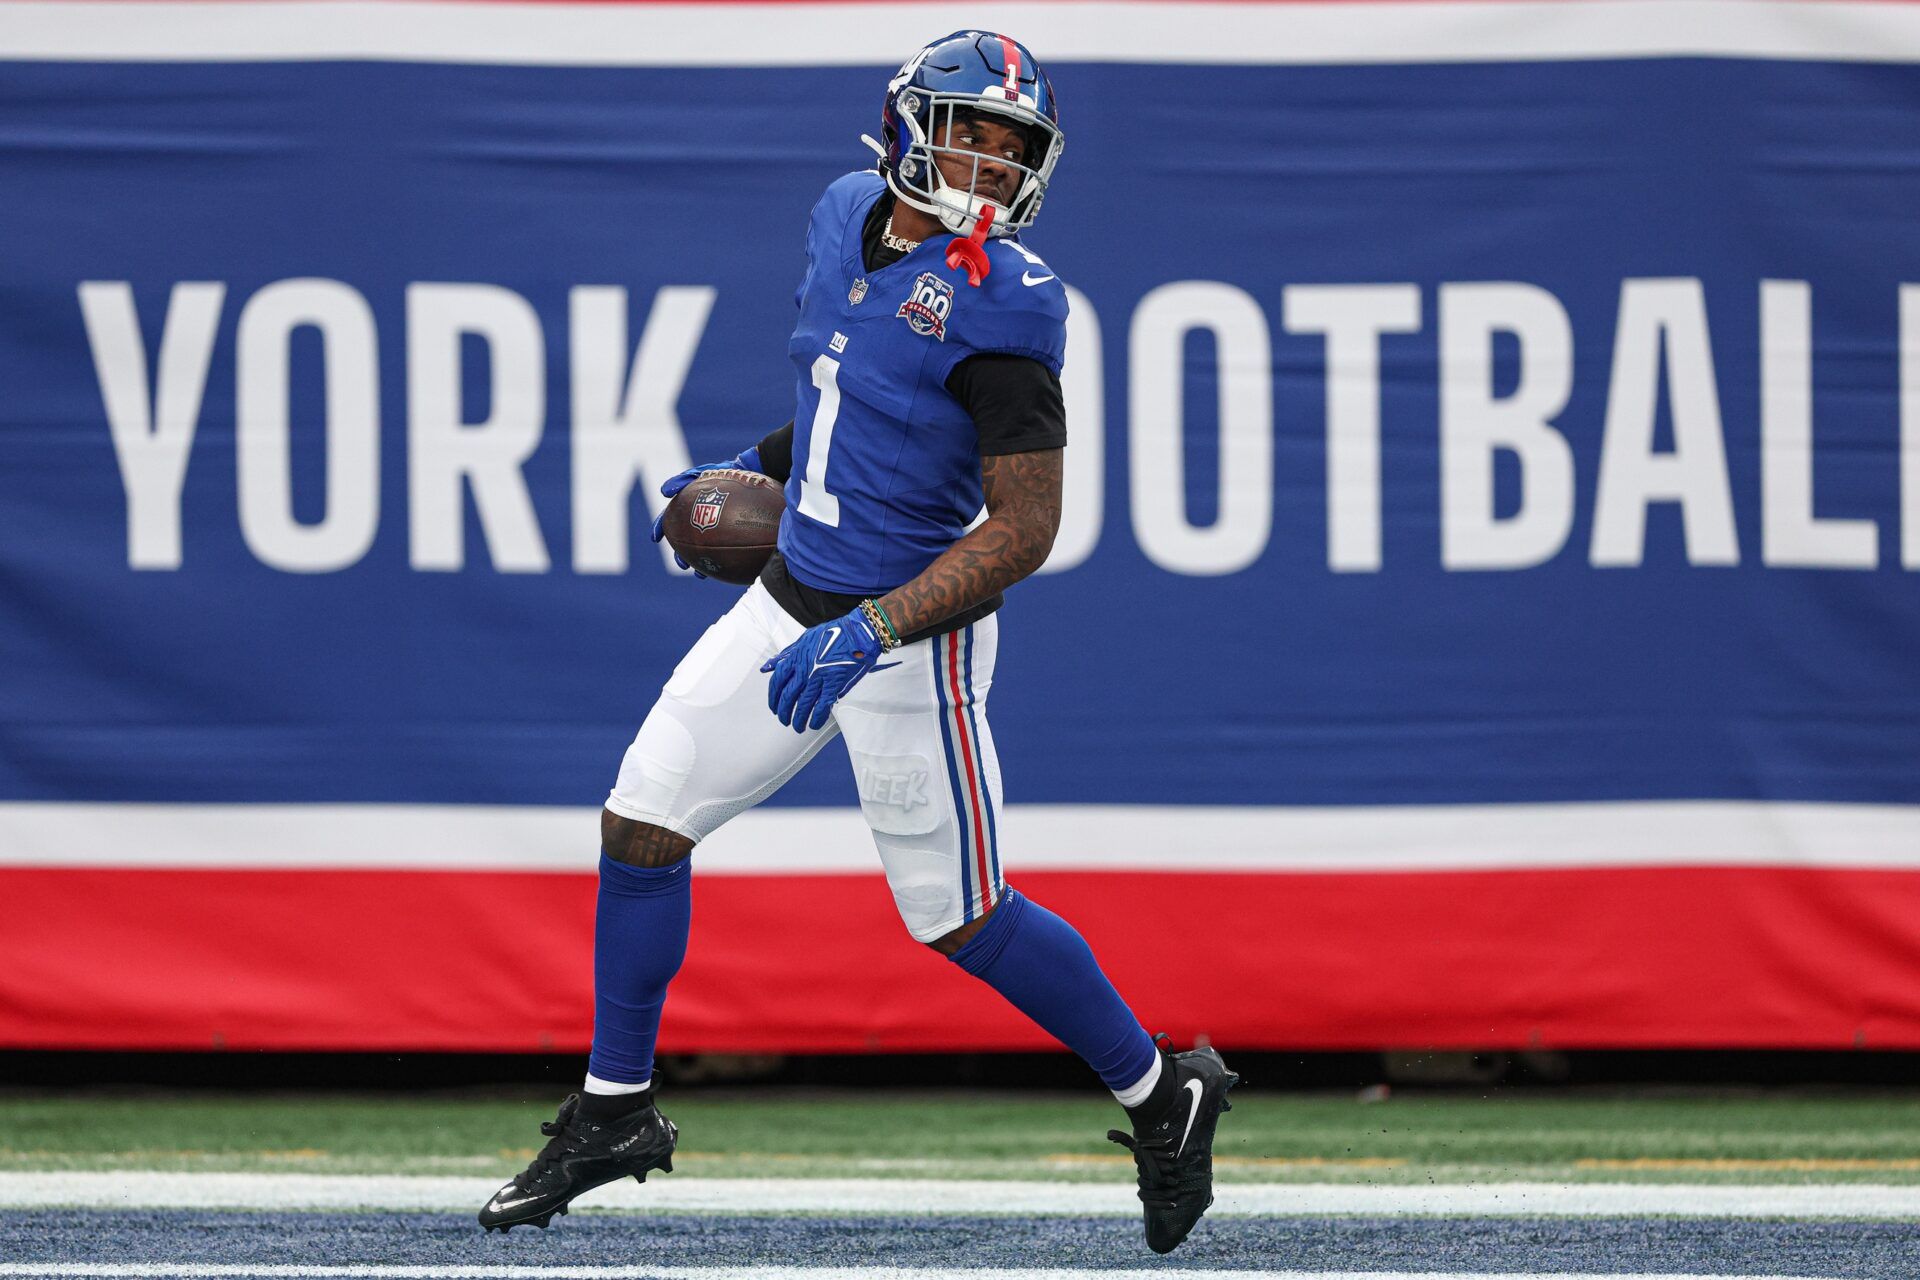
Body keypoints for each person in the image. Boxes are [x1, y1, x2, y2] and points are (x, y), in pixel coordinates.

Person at [478, 30, 1237, 1254]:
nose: (989, 164)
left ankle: (1164, 1089)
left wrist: (877, 625)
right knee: (642, 819)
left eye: (1013, 146)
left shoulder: (1010, 302)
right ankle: (616, 1108)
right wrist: (750, 463)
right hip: (791, 595)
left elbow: (1028, 525)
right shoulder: (843, 215)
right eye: (970, 132)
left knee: (960, 916)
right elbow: (845, 391)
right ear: (902, 128)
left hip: (907, 636)